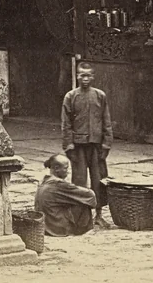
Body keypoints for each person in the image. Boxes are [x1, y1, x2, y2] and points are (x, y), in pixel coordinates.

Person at [61, 62, 112, 222]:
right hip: (78, 146)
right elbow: (66, 123)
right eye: (82, 75)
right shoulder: (71, 96)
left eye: (88, 75)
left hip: (96, 145)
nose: (85, 78)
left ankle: (99, 215)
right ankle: (81, 215)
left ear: (93, 77)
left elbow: (106, 121)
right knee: (79, 180)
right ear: (77, 76)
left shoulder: (100, 96)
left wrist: (107, 143)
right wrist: (68, 145)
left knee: (99, 180)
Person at [35, 153, 98, 236]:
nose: (68, 171)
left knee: (76, 198)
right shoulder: (58, 184)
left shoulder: (46, 180)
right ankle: (82, 231)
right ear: (56, 169)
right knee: (83, 201)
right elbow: (90, 195)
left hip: (45, 225)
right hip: (56, 227)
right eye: (66, 168)